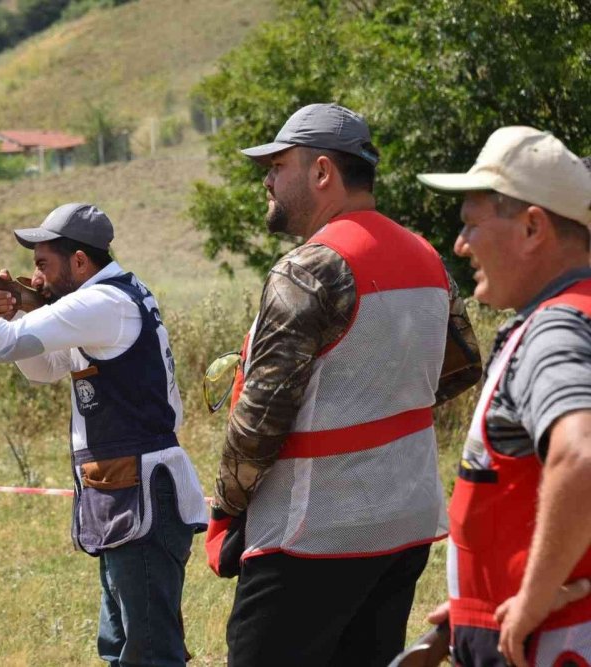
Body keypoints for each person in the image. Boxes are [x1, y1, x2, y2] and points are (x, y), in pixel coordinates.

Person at [203, 103, 483, 666]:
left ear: (323, 172)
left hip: (312, 533)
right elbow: (462, 367)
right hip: (403, 521)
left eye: (279, 164)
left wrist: (227, 508)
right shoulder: (427, 256)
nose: (268, 178)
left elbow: (259, 424)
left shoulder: (307, 269)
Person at [0, 202, 209, 667]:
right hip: (121, 493)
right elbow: (44, 368)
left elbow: (4, 348)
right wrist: (15, 316)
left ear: (79, 262)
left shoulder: (102, 303)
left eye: (43, 264)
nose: (37, 278)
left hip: (140, 494)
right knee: (119, 647)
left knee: (150, 654)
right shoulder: (106, 298)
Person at [417, 127, 591, 667]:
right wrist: (481, 597)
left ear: (533, 227)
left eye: (471, 223)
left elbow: (581, 456)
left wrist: (534, 595)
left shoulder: (556, 328)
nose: (460, 244)